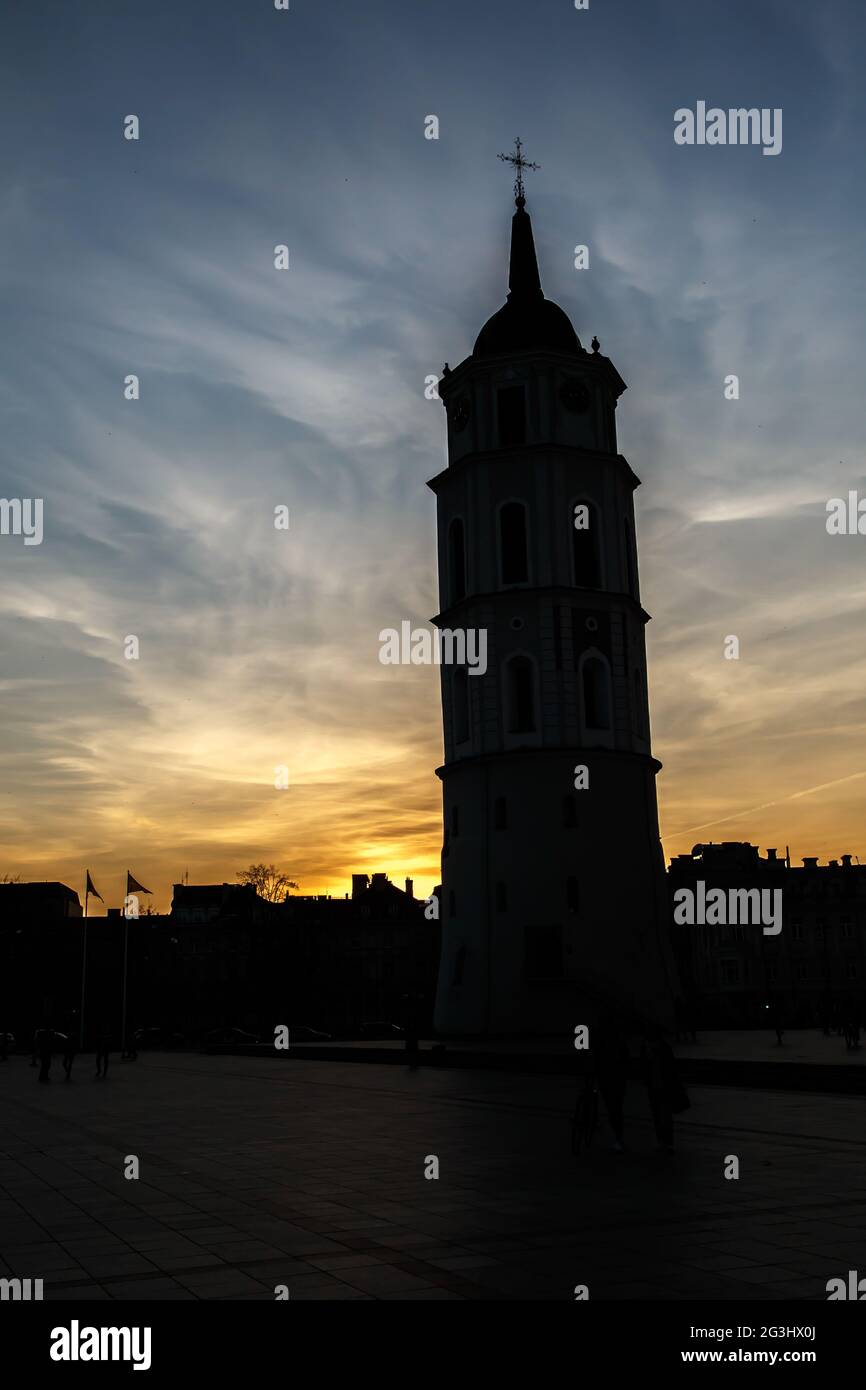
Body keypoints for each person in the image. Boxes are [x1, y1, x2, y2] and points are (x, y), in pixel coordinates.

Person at [640, 1024, 689, 1152]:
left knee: (663, 1115)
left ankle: (665, 1141)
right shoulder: (652, 1048)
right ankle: (664, 1140)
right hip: (656, 1086)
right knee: (660, 1115)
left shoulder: (657, 1049)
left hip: (662, 1086)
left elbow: (670, 1068)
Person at [592, 1009, 631, 1152]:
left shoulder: (597, 1035)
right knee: (616, 1108)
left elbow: (591, 1051)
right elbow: (625, 1057)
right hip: (616, 1077)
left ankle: (613, 1132)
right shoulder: (618, 1037)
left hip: (605, 1075)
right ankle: (618, 1136)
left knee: (611, 1106)